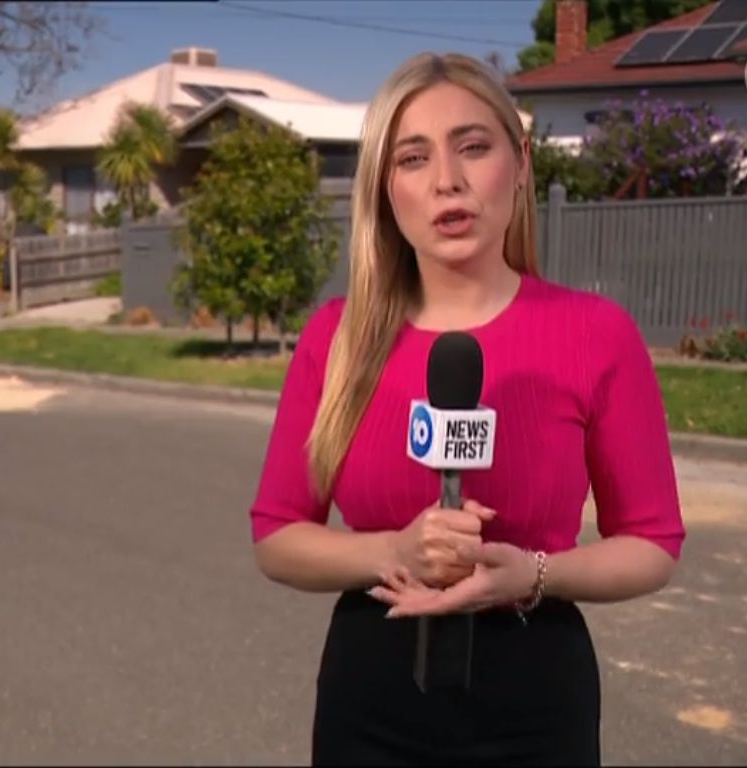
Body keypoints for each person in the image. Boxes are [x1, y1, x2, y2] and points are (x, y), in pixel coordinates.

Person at [248, 52, 686, 767]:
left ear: (520, 162)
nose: (446, 180)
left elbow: (651, 544)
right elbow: (277, 537)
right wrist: (393, 552)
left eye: (472, 147)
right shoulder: (335, 338)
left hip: (535, 702)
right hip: (373, 699)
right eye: (413, 158)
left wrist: (536, 574)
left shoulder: (595, 333)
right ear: (385, 189)